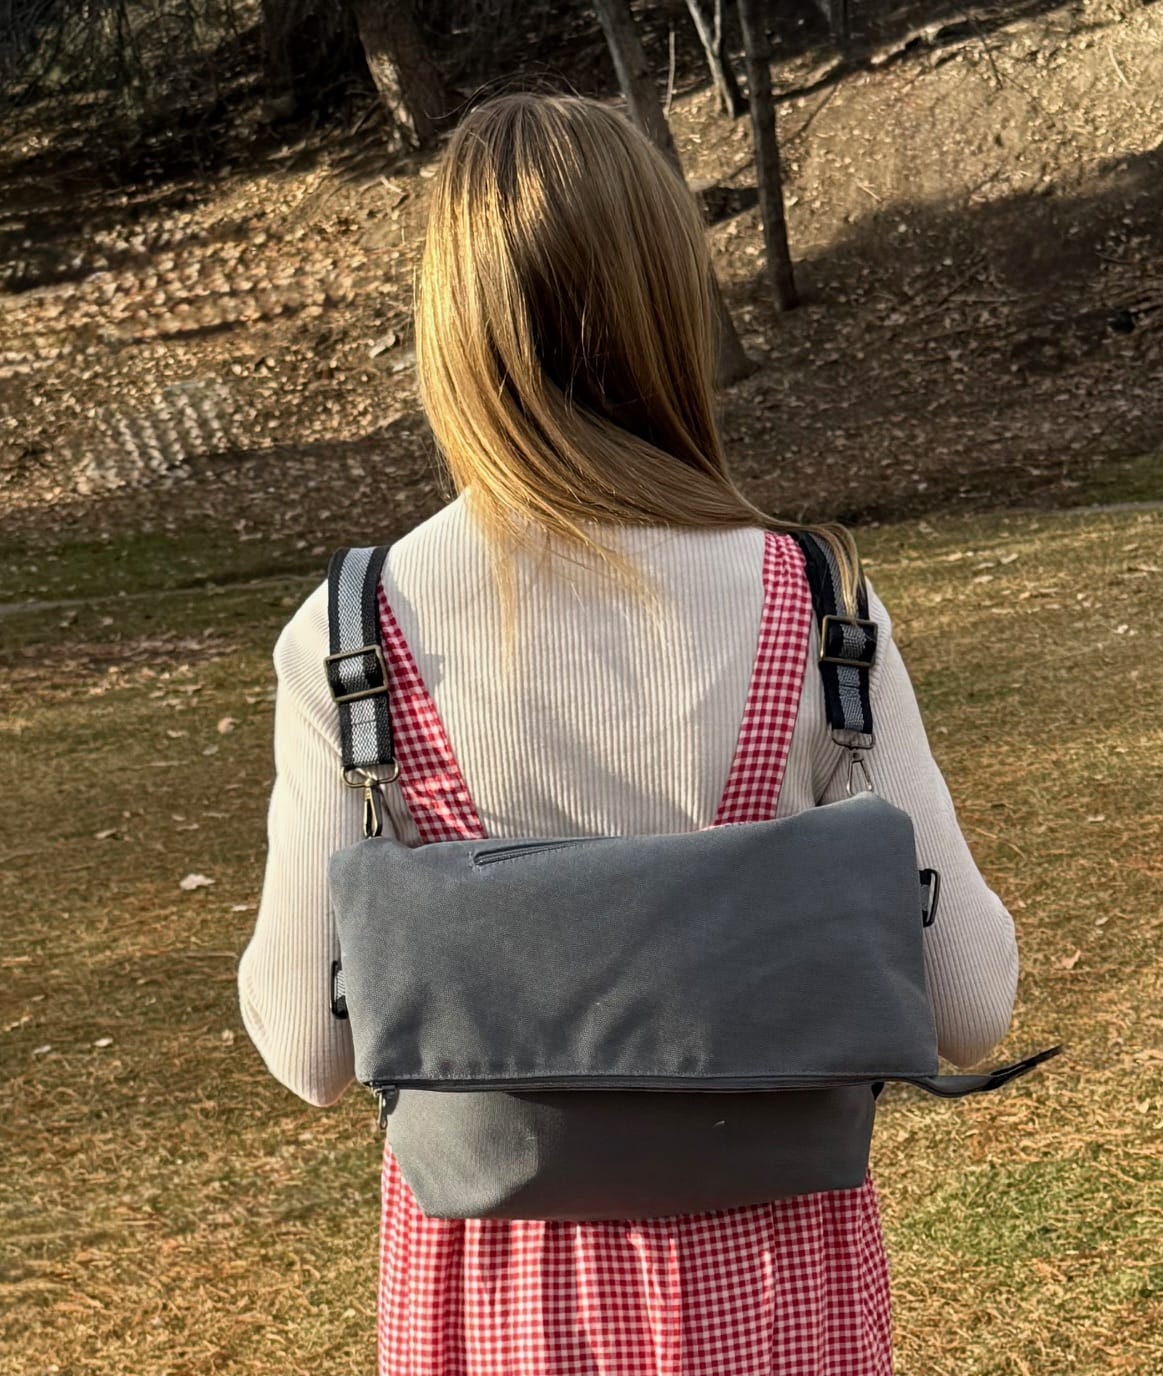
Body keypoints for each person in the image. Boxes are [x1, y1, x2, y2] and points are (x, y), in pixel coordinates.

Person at [239, 92, 1019, 1375]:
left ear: (452, 323)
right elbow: (970, 1004)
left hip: (495, 1293)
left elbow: (309, 1048)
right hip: (771, 1281)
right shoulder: (810, 602)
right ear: (666, 302)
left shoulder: (355, 634)